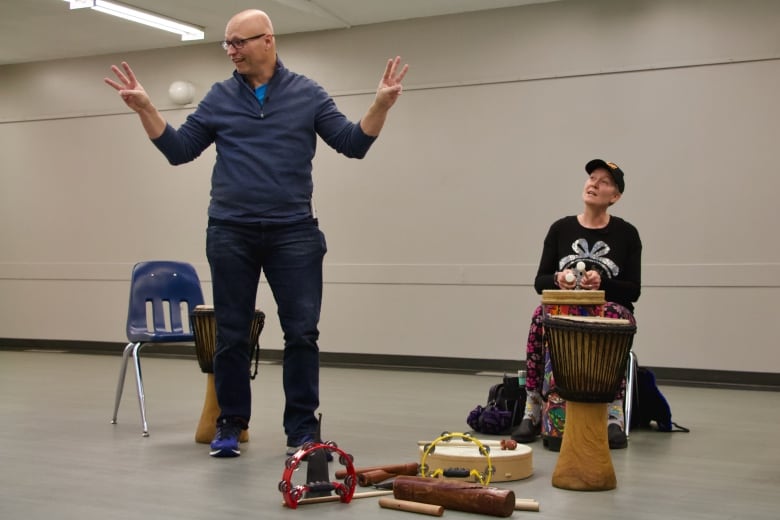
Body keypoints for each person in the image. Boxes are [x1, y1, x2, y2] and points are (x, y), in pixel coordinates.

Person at [104, 9, 408, 458]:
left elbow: (352, 144)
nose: (232, 51)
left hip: (294, 232)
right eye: (227, 44)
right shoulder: (219, 97)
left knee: (302, 333)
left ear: (267, 40)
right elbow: (180, 150)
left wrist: (380, 105)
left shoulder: (307, 93)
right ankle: (231, 423)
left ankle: (302, 430)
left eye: (239, 42)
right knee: (231, 333)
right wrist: (147, 109)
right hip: (230, 230)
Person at [512, 159, 641, 449]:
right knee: (539, 315)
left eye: (604, 181)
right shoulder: (560, 229)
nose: (594, 184)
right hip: (564, 309)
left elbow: (634, 291)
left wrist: (603, 284)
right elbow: (539, 282)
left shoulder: (627, 234)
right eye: (591, 178)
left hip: (608, 312)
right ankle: (533, 406)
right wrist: (558, 278)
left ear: (615, 196)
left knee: (621, 319)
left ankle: (613, 412)